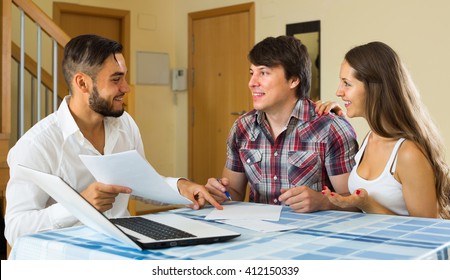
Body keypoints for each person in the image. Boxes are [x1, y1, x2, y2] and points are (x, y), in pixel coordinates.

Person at [4, 34, 221, 247]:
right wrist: (78, 205)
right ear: (82, 83)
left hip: (125, 248)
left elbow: (140, 184)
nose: (126, 87)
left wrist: (180, 186)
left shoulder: (125, 124)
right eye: (116, 79)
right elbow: (15, 229)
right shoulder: (35, 146)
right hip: (68, 259)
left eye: (124, 77)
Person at [205, 36, 359, 212]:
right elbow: (234, 192)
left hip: (311, 235)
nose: (251, 83)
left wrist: (323, 202)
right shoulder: (242, 127)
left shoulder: (330, 128)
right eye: (251, 73)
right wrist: (219, 193)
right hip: (258, 233)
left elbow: (354, 203)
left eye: (263, 73)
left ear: (293, 80)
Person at [317, 41, 450, 218]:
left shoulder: (408, 154)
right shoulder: (370, 138)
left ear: (374, 88)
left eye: (346, 83)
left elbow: (426, 232)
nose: (338, 92)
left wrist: (367, 204)